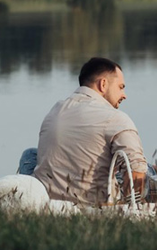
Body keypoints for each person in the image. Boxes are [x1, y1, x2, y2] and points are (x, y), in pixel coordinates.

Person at [26, 57, 150, 206]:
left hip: (48, 203)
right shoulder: (116, 118)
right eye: (121, 87)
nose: (124, 95)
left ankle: (27, 201)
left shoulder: (55, 110)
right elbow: (136, 171)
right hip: (94, 205)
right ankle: (155, 219)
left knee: (30, 155)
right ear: (103, 84)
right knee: (148, 170)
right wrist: (127, 207)